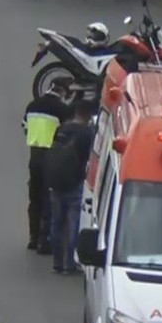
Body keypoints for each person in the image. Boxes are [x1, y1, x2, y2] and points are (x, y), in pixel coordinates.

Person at [22, 77, 73, 253]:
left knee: (34, 198)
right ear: (63, 91)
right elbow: (67, 135)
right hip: (52, 158)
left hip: (34, 156)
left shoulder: (32, 105)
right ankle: (45, 241)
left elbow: (25, 128)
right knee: (48, 200)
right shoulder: (62, 110)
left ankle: (32, 237)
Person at [45, 101, 96, 274]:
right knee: (73, 223)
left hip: (57, 181)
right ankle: (69, 263)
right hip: (75, 182)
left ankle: (56, 261)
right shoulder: (87, 133)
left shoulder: (62, 129)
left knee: (57, 223)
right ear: (88, 116)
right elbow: (89, 157)